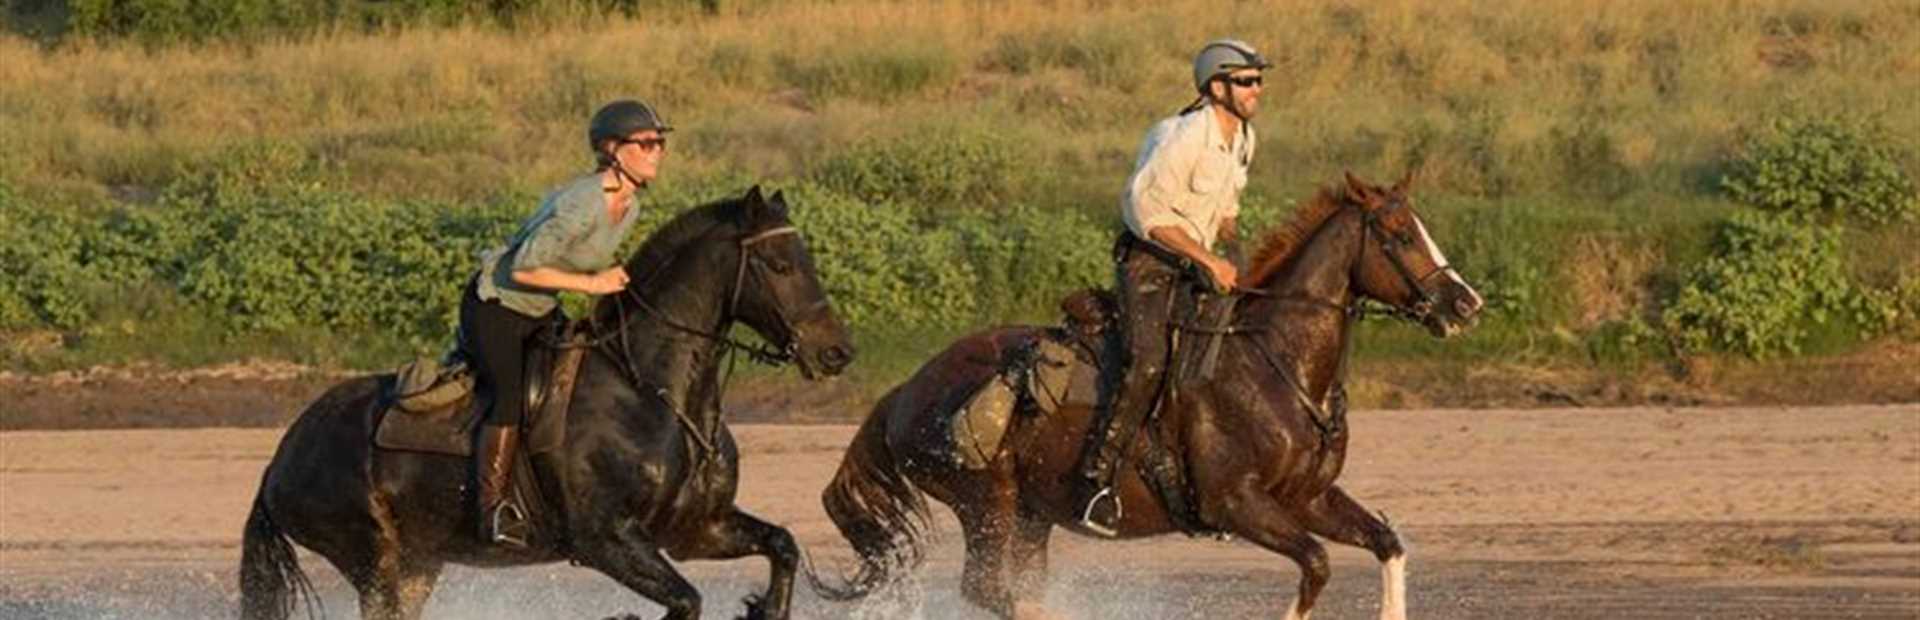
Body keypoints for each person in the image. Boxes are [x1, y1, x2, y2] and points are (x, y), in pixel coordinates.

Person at [1075, 39, 1269, 533]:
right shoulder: (1183, 136)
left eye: (1259, 80)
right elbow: (1146, 213)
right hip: (1149, 267)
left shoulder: (1244, 137)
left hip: (1196, 267)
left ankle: (1214, 483)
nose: (1257, 90)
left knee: (1230, 358)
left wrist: (1235, 254)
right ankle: (1097, 480)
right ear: (1217, 86)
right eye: (1247, 81)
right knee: (1150, 361)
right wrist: (1205, 258)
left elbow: (1225, 212)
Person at [459, 99, 670, 546]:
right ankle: (493, 511)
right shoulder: (583, 202)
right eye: (647, 143)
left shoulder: (629, 207)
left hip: (539, 307)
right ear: (613, 149)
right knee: (511, 397)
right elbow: (522, 269)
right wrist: (593, 285)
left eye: (660, 143)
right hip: (498, 305)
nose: (657, 151)